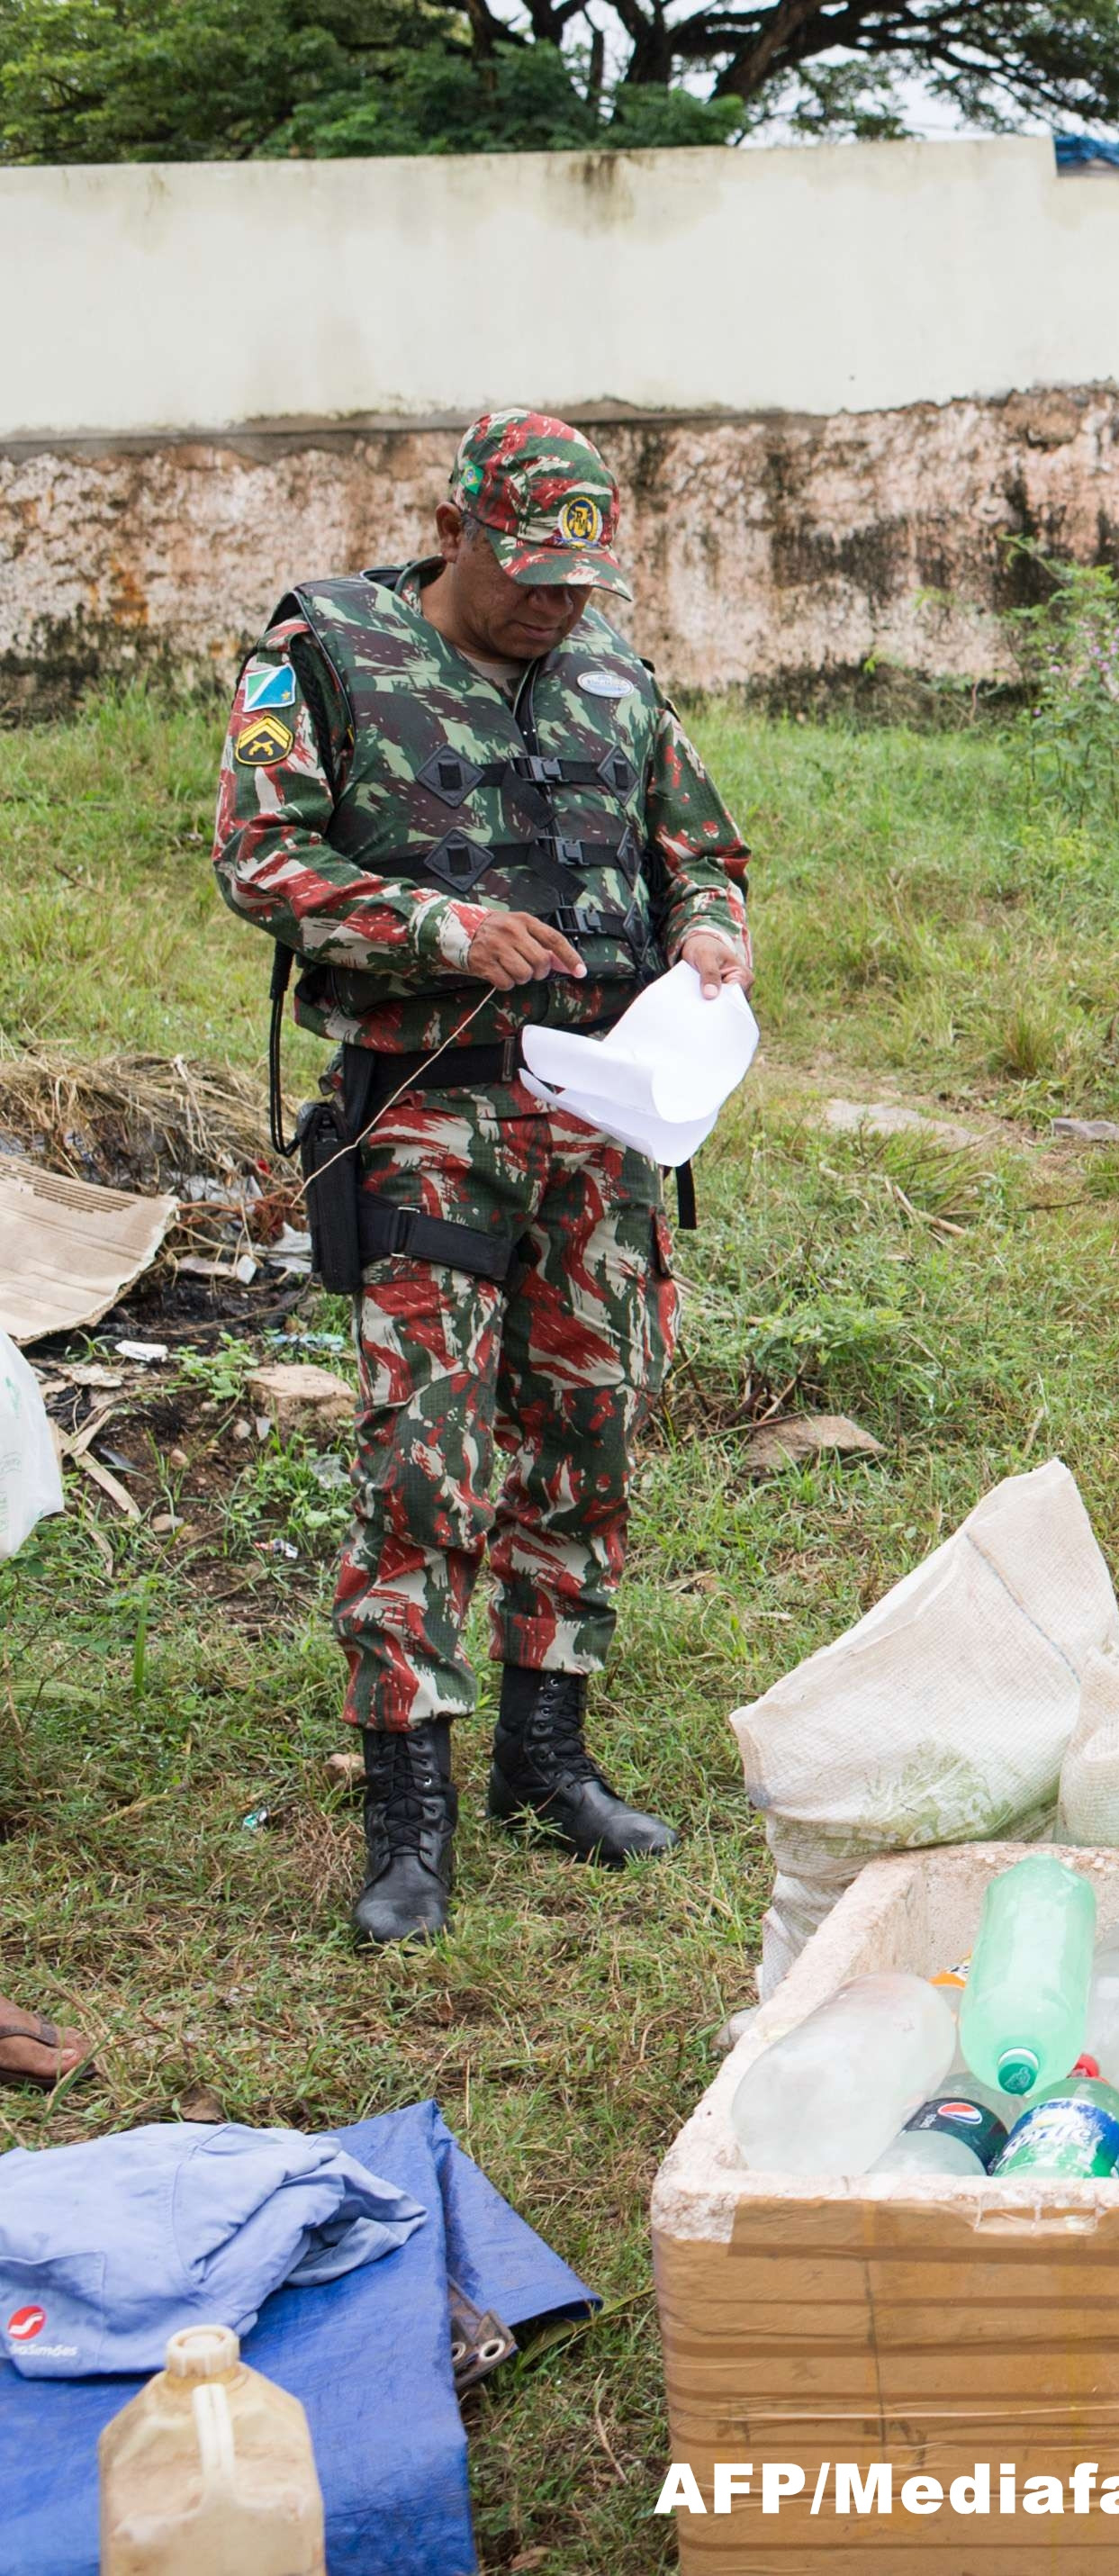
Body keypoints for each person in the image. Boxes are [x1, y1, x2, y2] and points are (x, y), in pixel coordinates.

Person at [214, 411, 753, 1946]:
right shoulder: (325, 650)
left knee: (588, 1436)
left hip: (605, 1123)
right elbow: (264, 857)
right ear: (450, 524)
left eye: (582, 579)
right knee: (424, 1460)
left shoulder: (611, 677)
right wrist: (441, 927)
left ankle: (546, 1754)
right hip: (434, 1110)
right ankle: (410, 1811)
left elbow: (702, 852)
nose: (553, 603)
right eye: (528, 572)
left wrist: (712, 929)